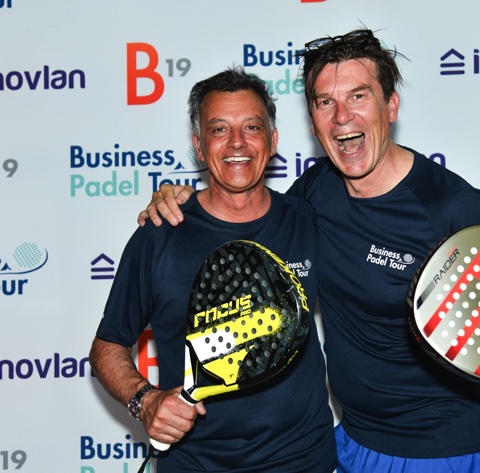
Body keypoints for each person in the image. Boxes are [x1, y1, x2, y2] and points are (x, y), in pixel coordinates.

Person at [138, 30, 480, 472]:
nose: (342, 116)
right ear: (313, 121)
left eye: (358, 96)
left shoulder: (449, 206)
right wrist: (183, 200)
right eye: (325, 102)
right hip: (353, 444)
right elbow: (247, 213)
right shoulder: (317, 190)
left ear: (390, 106)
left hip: (445, 452)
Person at [89, 66, 337, 472]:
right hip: (194, 464)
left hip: (302, 460)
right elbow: (107, 347)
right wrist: (145, 400)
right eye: (219, 129)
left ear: (273, 141)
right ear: (199, 148)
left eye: (252, 127)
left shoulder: (309, 222)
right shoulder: (160, 233)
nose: (237, 142)